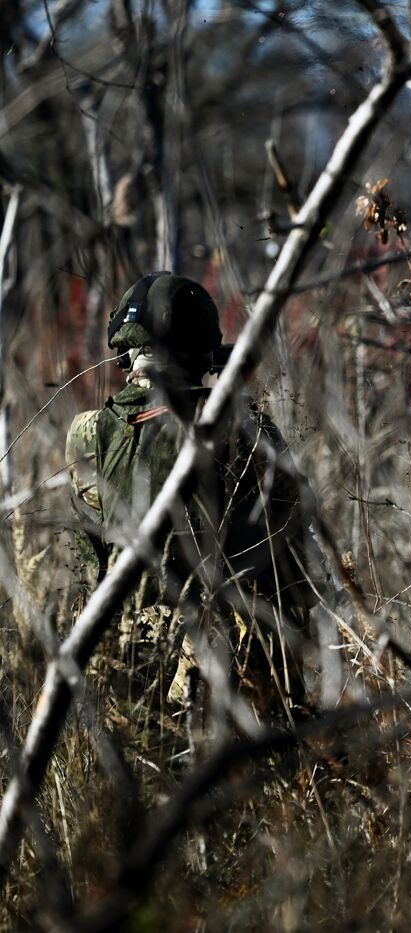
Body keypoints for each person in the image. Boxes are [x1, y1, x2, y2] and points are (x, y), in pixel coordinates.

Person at [65, 272, 310, 755]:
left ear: (124, 350)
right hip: (226, 669)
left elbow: (91, 561)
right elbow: (292, 566)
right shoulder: (244, 431)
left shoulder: (86, 435)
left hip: (123, 663)